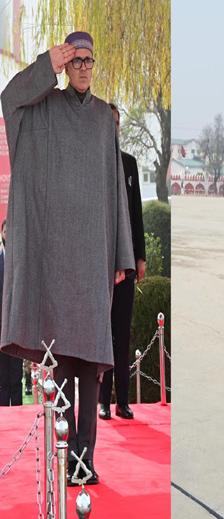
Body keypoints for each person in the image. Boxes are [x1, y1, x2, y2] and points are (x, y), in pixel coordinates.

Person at [0, 31, 135, 484]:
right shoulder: (43, 111)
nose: (82, 67)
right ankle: (66, 448)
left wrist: (121, 257)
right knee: (60, 369)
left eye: (88, 61)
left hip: (94, 261)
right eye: (74, 60)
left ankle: (85, 459)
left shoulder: (102, 121)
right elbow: (9, 100)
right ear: (65, 63)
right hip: (56, 263)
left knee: (90, 369)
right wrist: (45, 64)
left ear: (95, 66)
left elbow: (116, 191)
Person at [99, 103, 146, 421]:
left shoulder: (129, 164)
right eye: (109, 123)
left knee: (123, 333)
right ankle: (102, 401)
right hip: (101, 266)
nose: (113, 128)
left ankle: (123, 401)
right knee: (104, 336)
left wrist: (139, 256)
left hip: (127, 264)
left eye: (116, 123)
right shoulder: (95, 165)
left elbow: (137, 214)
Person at [0, 220, 22, 406]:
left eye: (11, 230)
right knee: (2, 379)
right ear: (2, 233)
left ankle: (17, 410)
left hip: (16, 329)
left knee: (16, 377)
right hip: (0, 329)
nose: (8, 233)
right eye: (6, 230)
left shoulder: (20, 262)